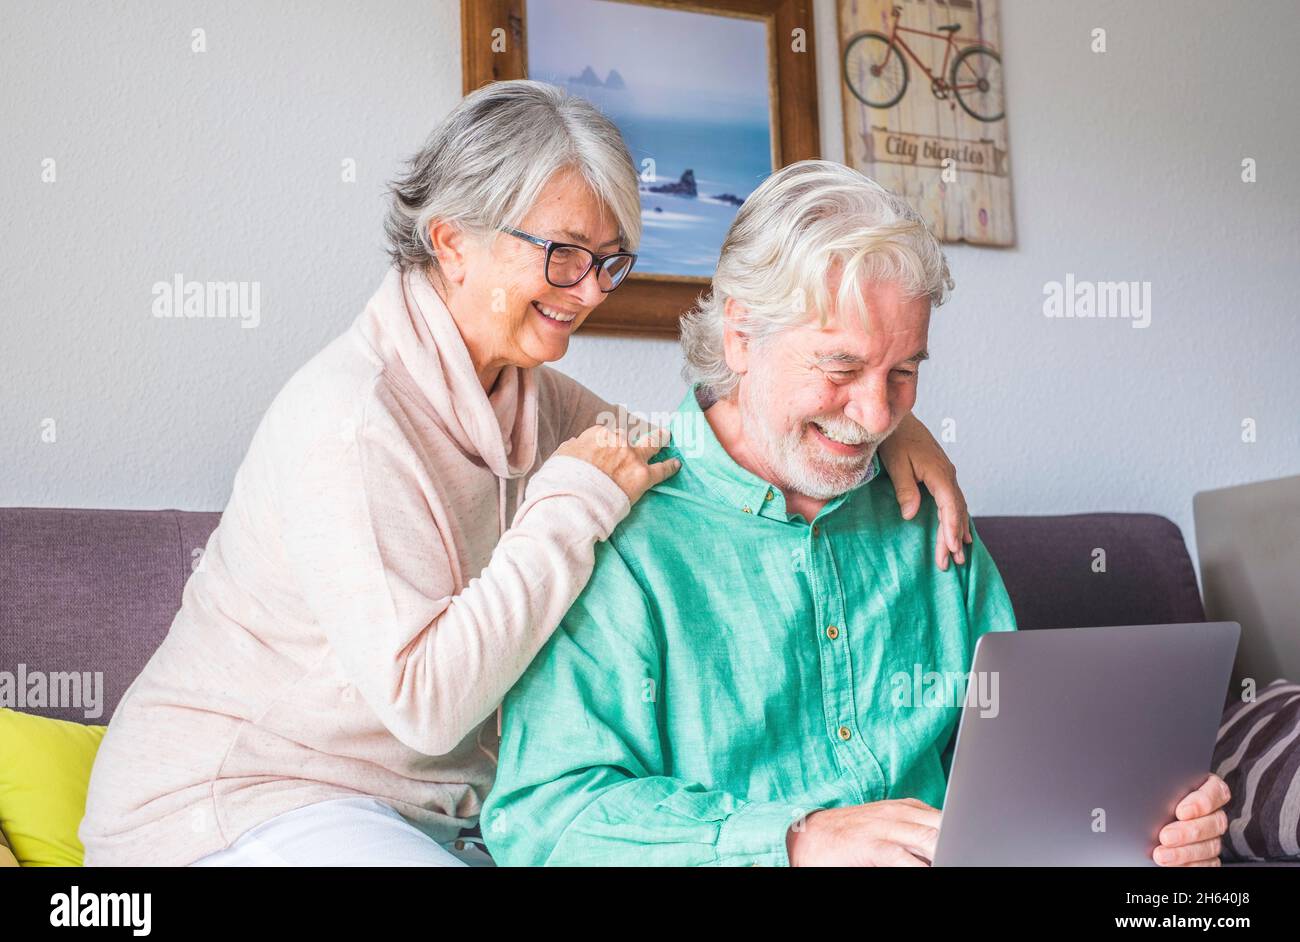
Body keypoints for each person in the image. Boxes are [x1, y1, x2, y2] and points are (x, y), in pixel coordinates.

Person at [78, 83, 973, 866]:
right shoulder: (349, 422)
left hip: (419, 817)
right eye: (564, 253)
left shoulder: (525, 393)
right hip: (238, 800)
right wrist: (570, 505)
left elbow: (695, 442)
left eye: (609, 260)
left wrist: (878, 425)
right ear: (452, 241)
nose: (589, 291)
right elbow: (425, 707)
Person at [481, 160, 1231, 867]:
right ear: (740, 335)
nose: (876, 415)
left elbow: (1024, 768)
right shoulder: (624, 531)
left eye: (904, 372)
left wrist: (1143, 820)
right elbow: (544, 818)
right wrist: (795, 839)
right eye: (841, 367)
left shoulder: (926, 514)